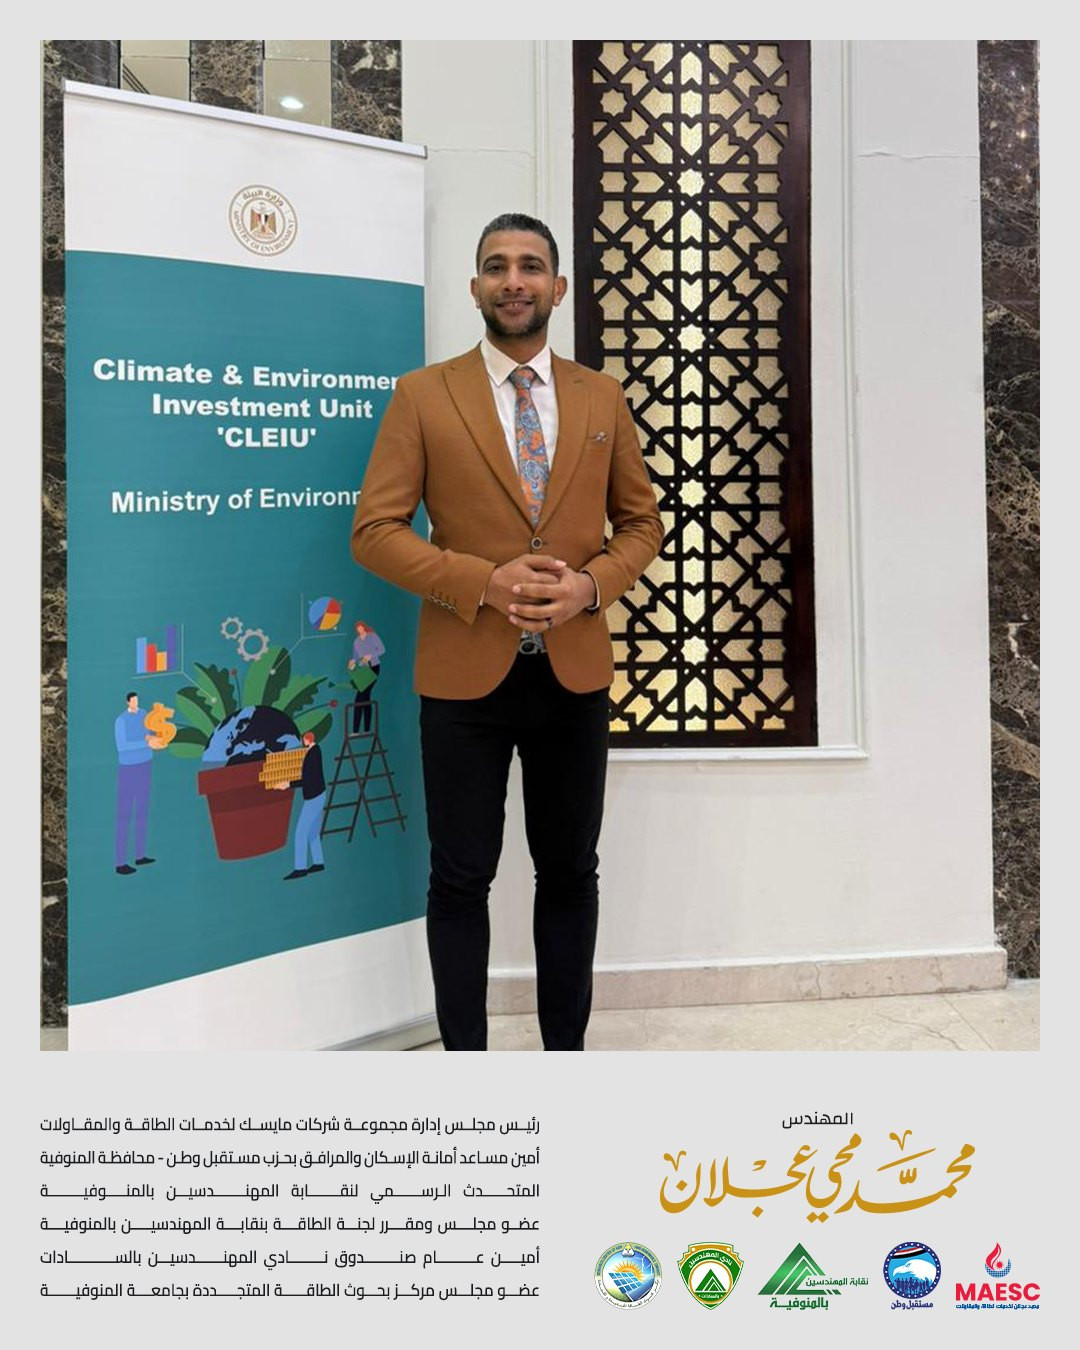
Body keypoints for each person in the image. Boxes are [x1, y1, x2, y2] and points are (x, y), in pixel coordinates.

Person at [351, 211, 662, 1051]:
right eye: (496, 266)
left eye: (529, 266)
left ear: (558, 288)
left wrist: (590, 587)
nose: (513, 280)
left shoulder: (601, 396)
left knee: (569, 872)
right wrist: (481, 582)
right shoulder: (423, 395)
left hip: (573, 676)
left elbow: (641, 525)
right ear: (475, 287)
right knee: (459, 878)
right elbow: (374, 531)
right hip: (463, 681)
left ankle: (565, 1059)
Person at [114, 691, 160, 875]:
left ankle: (140, 855)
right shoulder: (121, 720)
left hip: (145, 766)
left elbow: (148, 734)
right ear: (127, 702)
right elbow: (122, 746)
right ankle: (120, 862)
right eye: (133, 701)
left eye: (137, 700)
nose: (136, 703)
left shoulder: (144, 715)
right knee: (124, 814)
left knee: (142, 811)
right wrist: (146, 743)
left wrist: (155, 739)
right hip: (128, 769)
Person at [276, 731, 327, 881]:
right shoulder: (315, 750)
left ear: (306, 740)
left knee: (301, 832)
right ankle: (318, 862)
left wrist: (288, 784)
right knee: (313, 832)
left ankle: (300, 868)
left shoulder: (312, 755)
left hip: (314, 797)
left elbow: (307, 778)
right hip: (319, 794)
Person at [347, 619, 385, 734]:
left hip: (373, 667)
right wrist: (352, 663)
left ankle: (357, 730)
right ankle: (365, 729)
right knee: (365, 697)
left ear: (364, 627)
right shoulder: (356, 642)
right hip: (364, 670)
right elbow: (355, 657)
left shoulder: (372, 636)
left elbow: (382, 649)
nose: (360, 630)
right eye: (357, 629)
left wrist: (371, 655)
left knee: (360, 697)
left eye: (361, 627)